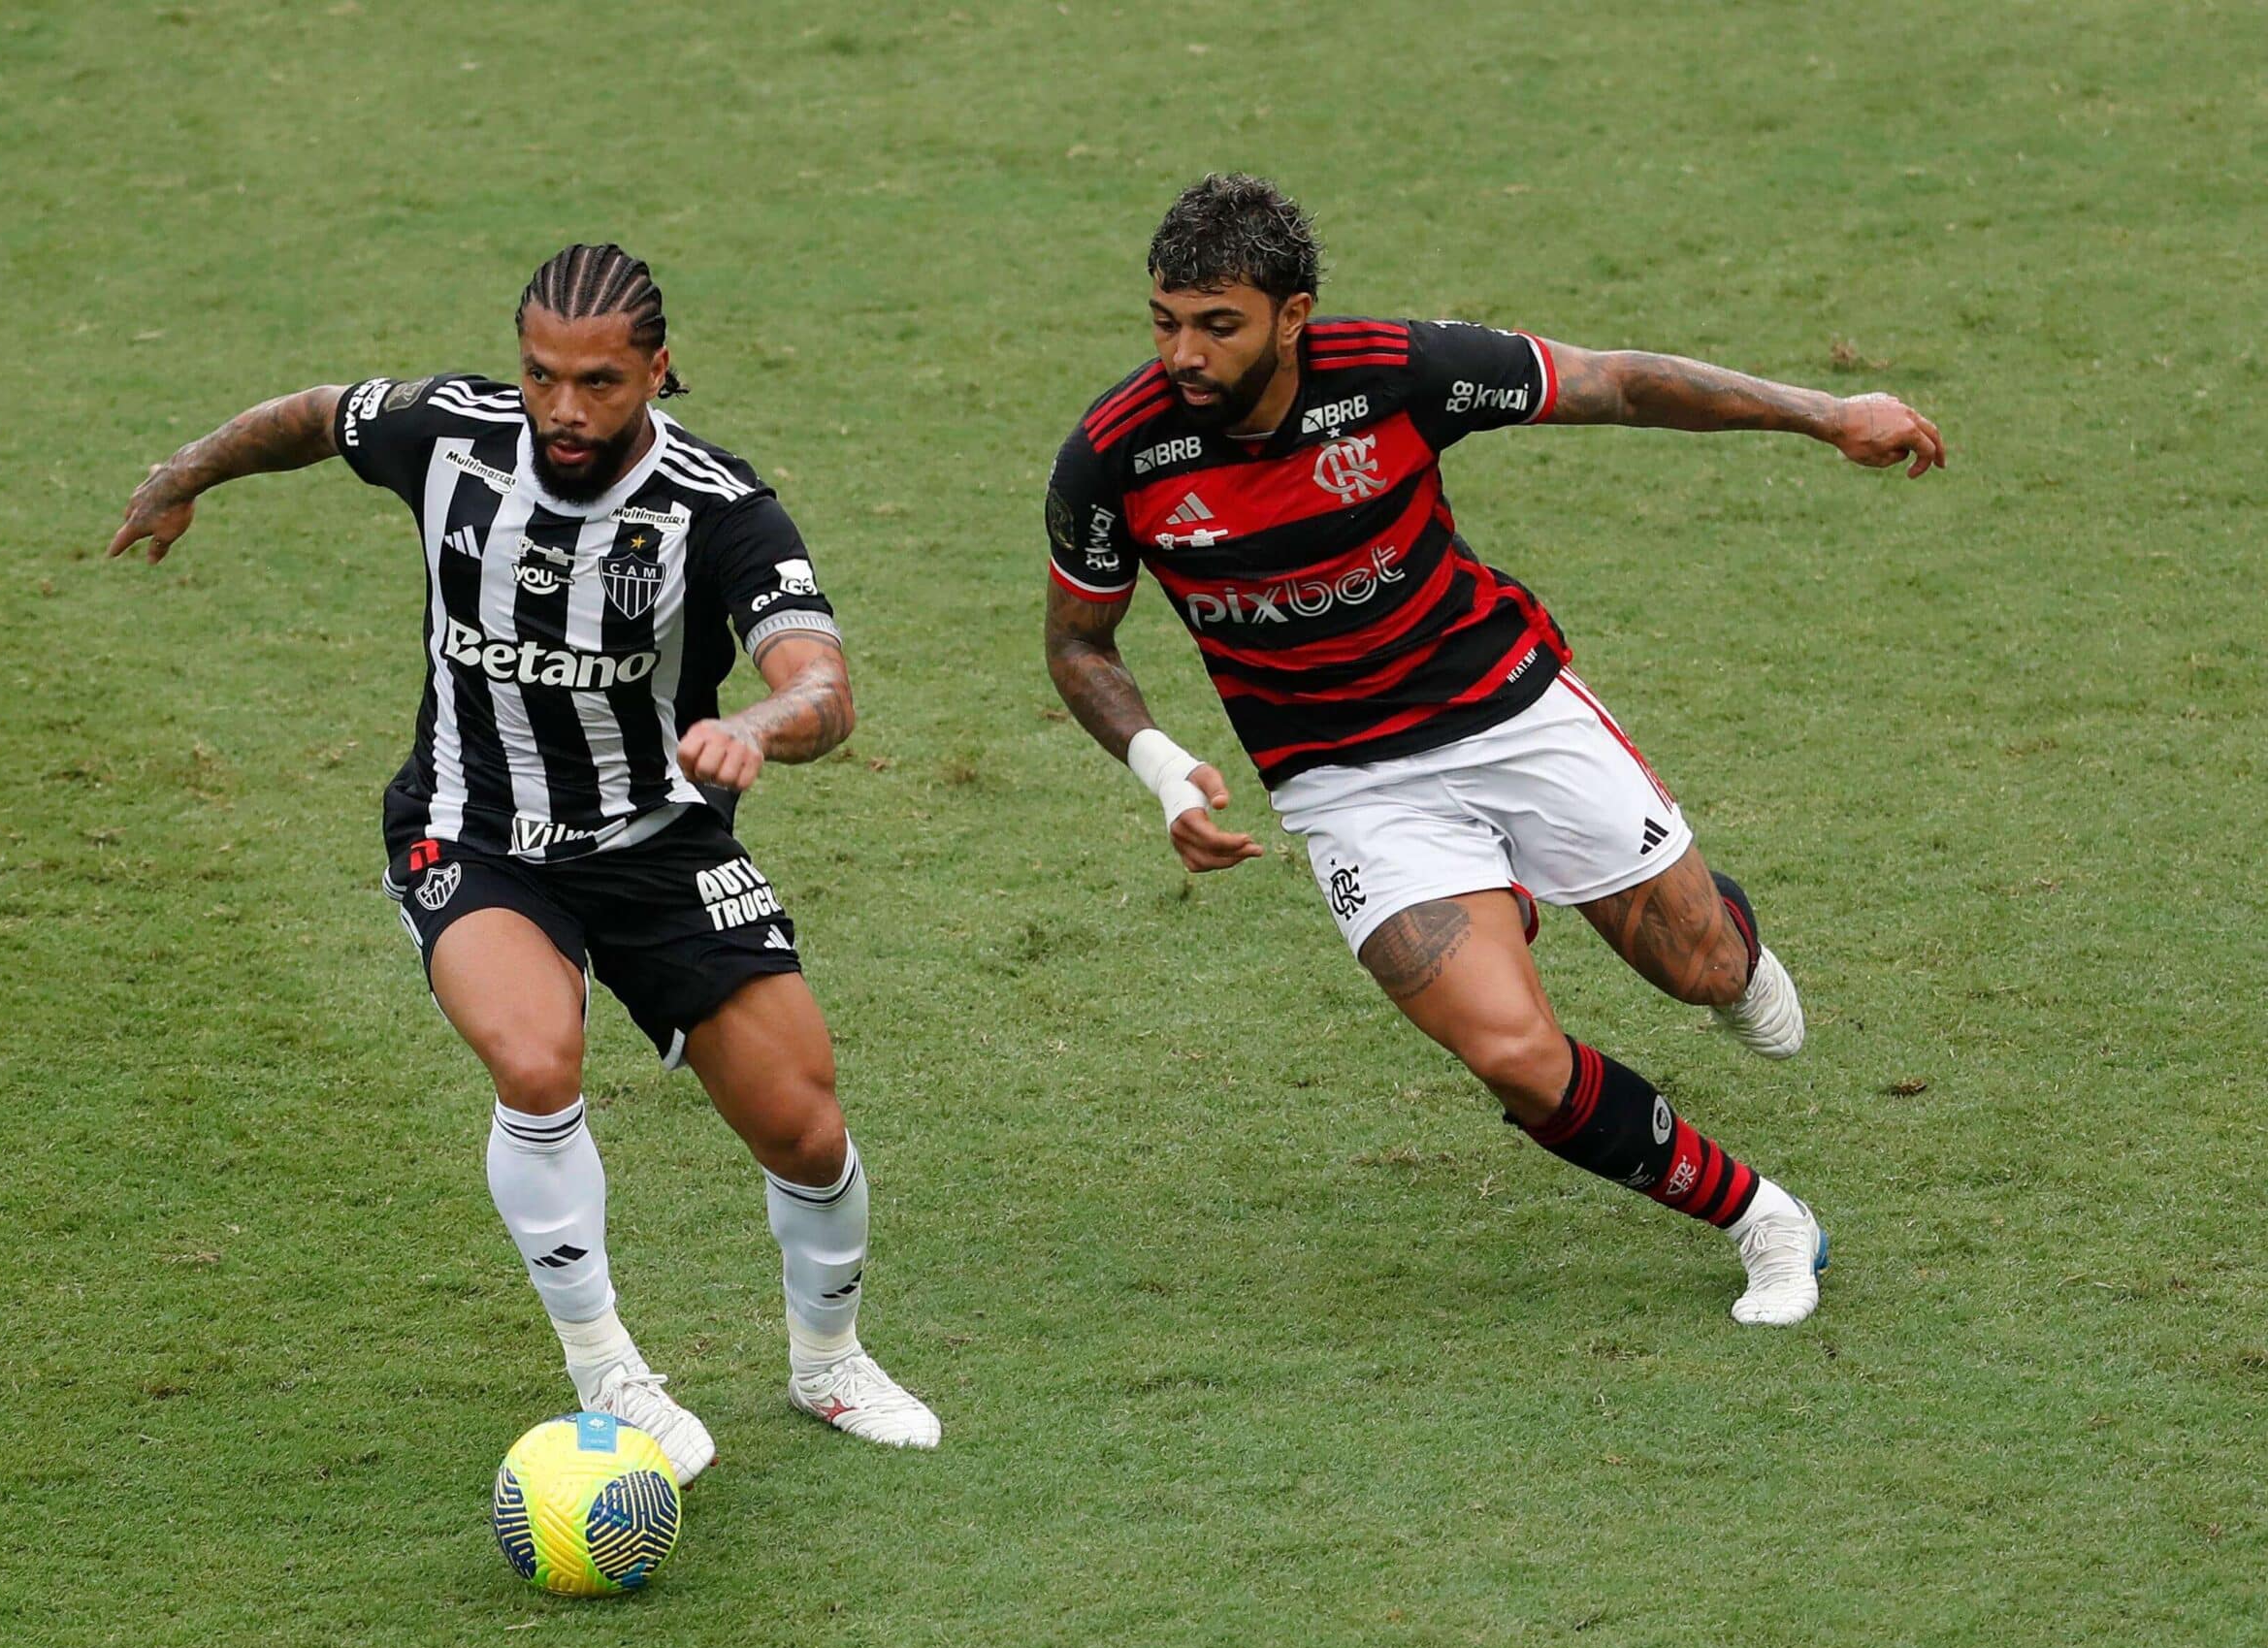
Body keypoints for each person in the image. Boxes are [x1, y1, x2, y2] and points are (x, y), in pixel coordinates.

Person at [1044, 176, 1947, 1327]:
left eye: (1218, 324)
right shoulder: (1115, 458)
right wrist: (1162, 768)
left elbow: (1612, 382)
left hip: (1509, 711)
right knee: (1513, 1053)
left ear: (1292, 314)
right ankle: (1761, 1217)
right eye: (1165, 320)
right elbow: (1078, 642)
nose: (1185, 352)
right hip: (1346, 783)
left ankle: (1703, 934)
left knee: (1704, 972)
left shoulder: (1399, 371)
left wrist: (1825, 413)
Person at [108, 242, 939, 1477]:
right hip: (471, 828)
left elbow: (821, 683)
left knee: (803, 1128)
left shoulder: (720, 508)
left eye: (600, 381)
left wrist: (754, 727)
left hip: (659, 842)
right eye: (542, 374)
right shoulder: (450, 436)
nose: (564, 407)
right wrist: (187, 473)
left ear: (660, 369)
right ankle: (608, 1367)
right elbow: (311, 418)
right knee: (537, 1057)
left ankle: (827, 1366)